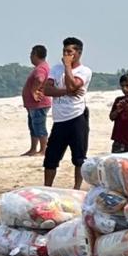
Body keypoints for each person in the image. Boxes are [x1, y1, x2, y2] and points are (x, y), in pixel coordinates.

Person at [43, 37, 93, 188]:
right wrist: (65, 91)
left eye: (69, 51)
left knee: (79, 158)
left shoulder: (84, 71)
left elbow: (73, 85)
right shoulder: (55, 69)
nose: (66, 54)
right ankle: (47, 187)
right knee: (51, 157)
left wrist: (68, 67)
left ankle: (77, 188)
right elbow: (47, 89)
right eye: (64, 51)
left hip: (77, 117)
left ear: (78, 53)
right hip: (59, 120)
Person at [21, 45, 52, 157]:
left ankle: (43, 149)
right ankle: (33, 148)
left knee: (39, 126)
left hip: (39, 103)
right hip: (33, 105)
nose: (30, 57)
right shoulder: (41, 67)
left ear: (35, 55)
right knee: (33, 126)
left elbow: (40, 78)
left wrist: (34, 91)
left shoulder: (41, 68)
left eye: (31, 54)